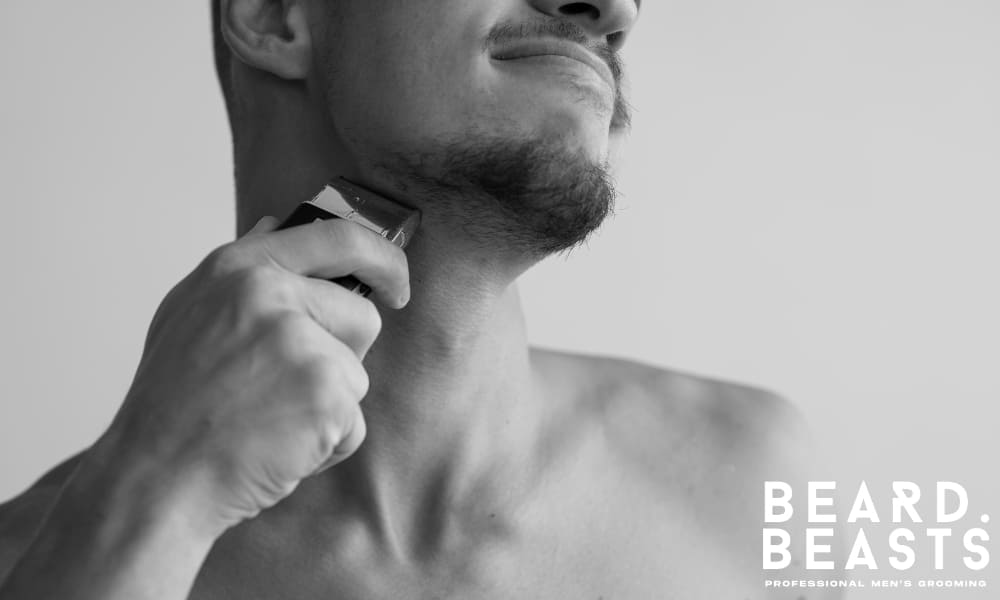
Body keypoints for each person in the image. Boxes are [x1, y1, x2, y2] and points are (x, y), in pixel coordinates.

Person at [0, 1, 832, 598]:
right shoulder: (37, 567)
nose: (613, 12)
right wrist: (154, 503)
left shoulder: (758, 484)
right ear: (276, 14)